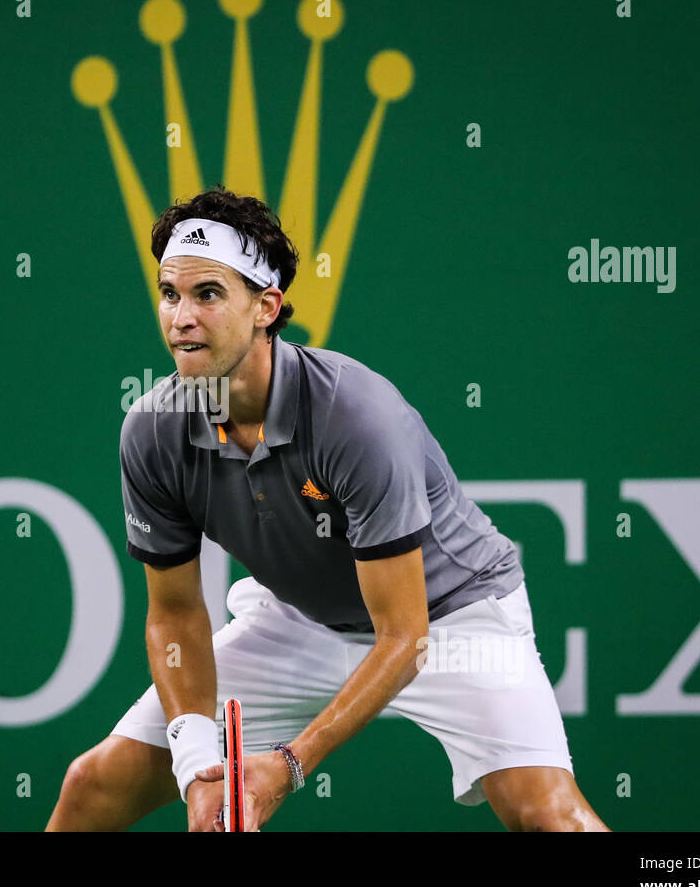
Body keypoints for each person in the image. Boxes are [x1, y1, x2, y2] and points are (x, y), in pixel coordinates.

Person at [46, 185, 608, 832]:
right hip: (302, 621)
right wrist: (199, 765)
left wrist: (285, 767)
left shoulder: (355, 416)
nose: (181, 317)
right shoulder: (153, 429)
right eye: (170, 293)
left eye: (207, 294)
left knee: (552, 819)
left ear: (266, 306)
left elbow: (405, 636)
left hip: (450, 622)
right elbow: (174, 615)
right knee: (92, 785)